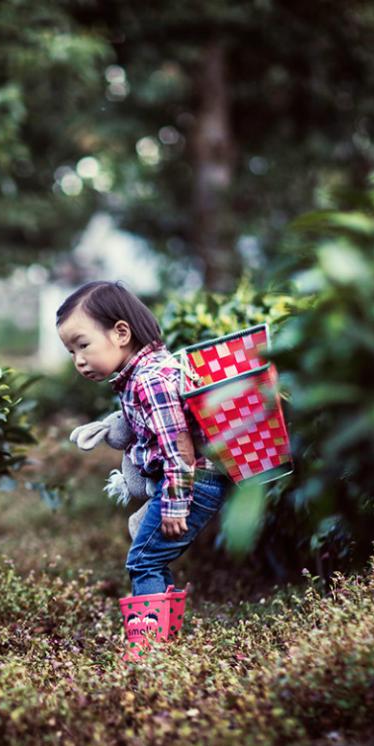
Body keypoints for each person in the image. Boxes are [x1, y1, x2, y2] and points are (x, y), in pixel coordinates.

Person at [56, 279, 230, 659]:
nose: (79, 360)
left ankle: (147, 648)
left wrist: (175, 504)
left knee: (142, 559)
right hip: (188, 482)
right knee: (152, 557)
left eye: (82, 345)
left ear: (121, 332)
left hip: (190, 483)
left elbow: (177, 448)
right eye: (71, 352)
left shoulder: (150, 381)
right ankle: (161, 640)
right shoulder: (139, 375)